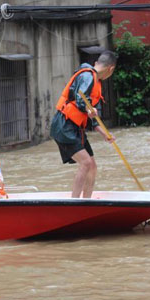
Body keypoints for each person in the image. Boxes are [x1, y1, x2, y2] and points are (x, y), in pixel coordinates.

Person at [51, 50, 117, 199]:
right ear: (110, 69)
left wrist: (104, 134)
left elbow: (90, 118)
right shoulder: (87, 76)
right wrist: (89, 108)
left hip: (75, 128)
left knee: (92, 166)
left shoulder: (95, 82)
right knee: (86, 163)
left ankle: (86, 201)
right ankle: (74, 202)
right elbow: (82, 100)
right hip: (64, 126)